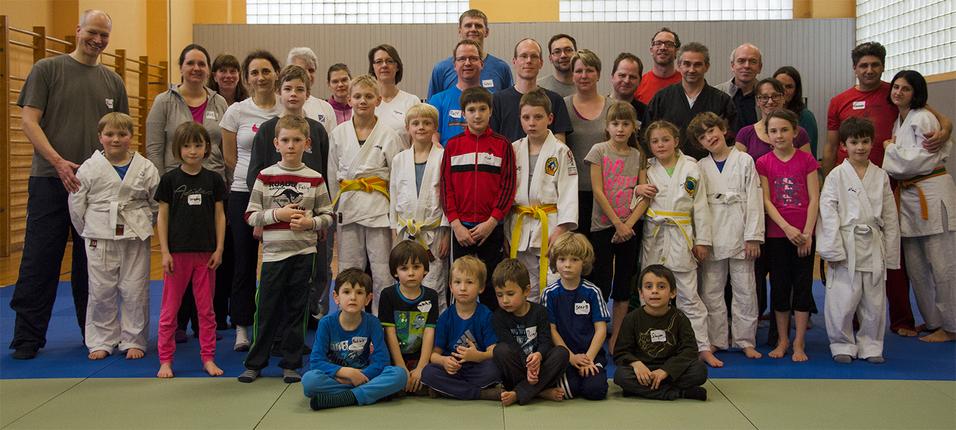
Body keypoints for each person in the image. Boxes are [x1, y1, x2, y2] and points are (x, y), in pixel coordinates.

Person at [10, 9, 128, 360]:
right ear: (78, 30)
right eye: (92, 32)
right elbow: (28, 121)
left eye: (104, 35)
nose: (97, 40)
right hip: (50, 180)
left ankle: (94, 335)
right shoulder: (47, 69)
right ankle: (27, 337)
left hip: (96, 190)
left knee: (92, 266)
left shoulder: (113, 82)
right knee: (39, 260)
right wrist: (58, 161)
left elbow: (121, 135)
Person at [824, 42, 952, 339]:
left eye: (875, 65)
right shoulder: (840, 100)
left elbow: (929, 111)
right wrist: (828, 180)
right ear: (854, 68)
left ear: (883, 66)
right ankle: (854, 319)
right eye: (863, 65)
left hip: (893, 182)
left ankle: (903, 318)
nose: (869, 70)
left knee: (897, 255)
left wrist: (947, 127)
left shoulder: (893, 93)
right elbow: (830, 146)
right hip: (854, 183)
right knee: (858, 251)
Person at [237, 115, 335, 383]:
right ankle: (255, 362)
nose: (291, 145)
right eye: (286, 140)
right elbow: (250, 215)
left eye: (296, 140)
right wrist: (277, 215)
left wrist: (310, 223)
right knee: (266, 309)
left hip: (304, 254)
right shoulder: (265, 176)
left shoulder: (315, 178)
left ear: (307, 143)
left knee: (297, 309)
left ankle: (291, 362)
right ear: (276, 143)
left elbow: (328, 215)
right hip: (273, 255)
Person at [145, 44, 228, 343]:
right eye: (190, 63)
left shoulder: (219, 102)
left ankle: (205, 323)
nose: (196, 68)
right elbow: (154, 147)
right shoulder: (163, 101)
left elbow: (225, 146)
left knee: (206, 257)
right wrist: (163, 186)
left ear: (208, 69)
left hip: (210, 184)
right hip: (177, 187)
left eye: (202, 63)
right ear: (180, 67)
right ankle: (178, 324)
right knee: (180, 258)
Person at [246, 65, 333, 328]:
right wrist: (262, 218)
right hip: (275, 219)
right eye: (287, 89)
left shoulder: (317, 131)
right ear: (279, 92)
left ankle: (306, 319)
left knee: (311, 271)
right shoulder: (267, 130)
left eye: (299, 89)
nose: (293, 94)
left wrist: (320, 219)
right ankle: (275, 328)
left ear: (308, 94)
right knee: (277, 275)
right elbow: (254, 175)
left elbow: (324, 174)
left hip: (308, 219)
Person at [68, 112, 159, 360]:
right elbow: (76, 205)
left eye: (122, 134)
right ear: (100, 137)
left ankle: (134, 339)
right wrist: (88, 229)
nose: (116, 139)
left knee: (135, 288)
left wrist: (144, 223)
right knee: (100, 289)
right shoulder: (89, 168)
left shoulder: (145, 167)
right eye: (109, 134)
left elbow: (156, 203)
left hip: (135, 234)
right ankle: (102, 340)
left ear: (131, 137)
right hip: (99, 233)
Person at [818, 117, 900, 363]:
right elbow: (828, 213)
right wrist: (832, 249)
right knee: (842, 298)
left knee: (874, 301)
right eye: (854, 142)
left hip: (873, 244)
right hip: (846, 243)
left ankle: (871, 345)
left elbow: (890, 215)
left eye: (865, 142)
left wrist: (891, 252)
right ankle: (841, 343)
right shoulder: (836, 175)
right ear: (844, 145)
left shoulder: (881, 175)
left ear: (872, 143)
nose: (860, 147)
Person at [883, 70, 956, 343]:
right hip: (910, 197)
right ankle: (935, 320)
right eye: (896, 87)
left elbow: (919, 160)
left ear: (916, 93)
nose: (898, 92)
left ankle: (952, 325)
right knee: (916, 266)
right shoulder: (900, 120)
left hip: (932, 192)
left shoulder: (923, 117)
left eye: (906, 88)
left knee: (943, 263)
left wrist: (890, 149)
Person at [689, 112, 764, 363]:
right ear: (699, 144)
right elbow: (696, 206)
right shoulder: (700, 167)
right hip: (712, 234)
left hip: (741, 232)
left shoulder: (744, 160)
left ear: (723, 129)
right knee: (711, 290)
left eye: (712, 130)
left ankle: (746, 340)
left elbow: (754, 199)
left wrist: (753, 236)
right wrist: (700, 240)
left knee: (745, 289)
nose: (709, 137)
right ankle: (715, 339)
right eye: (703, 136)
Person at [220, 50, 283, 352]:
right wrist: (253, 186)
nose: (261, 77)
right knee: (243, 262)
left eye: (266, 71)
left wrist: (271, 188)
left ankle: (274, 325)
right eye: (255, 72)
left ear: (276, 74)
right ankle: (242, 326)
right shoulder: (236, 112)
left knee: (278, 263)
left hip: (280, 195)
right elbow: (230, 157)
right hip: (243, 193)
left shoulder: (286, 109)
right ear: (246, 78)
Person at [155, 122, 227, 378]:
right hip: (177, 254)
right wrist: (165, 252)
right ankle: (165, 359)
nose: (193, 151)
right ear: (178, 149)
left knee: (206, 310)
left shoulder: (213, 180)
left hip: (206, 254)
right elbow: (162, 217)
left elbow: (220, 216)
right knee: (169, 310)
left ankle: (208, 357)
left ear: (207, 148)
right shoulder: (169, 180)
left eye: (198, 145)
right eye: (187, 146)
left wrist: (219, 248)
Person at [328, 75, 404, 313]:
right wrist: (334, 210)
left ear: (378, 100)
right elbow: (332, 173)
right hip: (348, 207)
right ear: (349, 99)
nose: (363, 101)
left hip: (378, 209)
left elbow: (397, 177)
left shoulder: (389, 134)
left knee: (382, 270)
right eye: (358, 96)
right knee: (349, 267)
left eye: (369, 96)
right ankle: (349, 318)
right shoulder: (338, 133)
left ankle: (382, 321)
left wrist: (395, 214)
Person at [640, 120, 713, 361]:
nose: (660, 145)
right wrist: (637, 190)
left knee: (688, 295)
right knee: (651, 292)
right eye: (655, 141)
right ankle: (652, 345)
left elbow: (700, 206)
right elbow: (634, 200)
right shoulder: (646, 168)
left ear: (676, 141)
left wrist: (702, 241)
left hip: (682, 235)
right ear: (649, 145)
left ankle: (700, 346)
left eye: (665, 140)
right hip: (655, 233)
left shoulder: (691, 167)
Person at [440, 87, 517, 311]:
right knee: (460, 285)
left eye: (482, 109)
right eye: (471, 110)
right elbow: (445, 188)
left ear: (490, 111)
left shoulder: (503, 145)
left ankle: (491, 328)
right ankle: (459, 325)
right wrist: (456, 224)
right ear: (463, 113)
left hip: (490, 229)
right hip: (461, 231)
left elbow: (508, 187)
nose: (477, 115)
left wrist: (492, 222)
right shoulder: (452, 146)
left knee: (492, 285)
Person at [756, 109, 820, 362]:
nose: (779, 135)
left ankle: (799, 342)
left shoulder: (807, 160)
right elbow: (767, 201)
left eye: (784, 130)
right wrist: (786, 227)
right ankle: (782, 339)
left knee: (802, 287)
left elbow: (814, 198)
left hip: (804, 233)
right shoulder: (763, 163)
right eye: (773, 131)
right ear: (767, 135)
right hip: (777, 234)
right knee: (780, 287)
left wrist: (807, 232)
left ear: (795, 132)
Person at [584, 101, 648, 352]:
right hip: (603, 226)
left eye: (625, 124)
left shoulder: (638, 155)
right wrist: (617, 224)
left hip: (629, 228)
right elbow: (598, 191)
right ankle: (597, 333)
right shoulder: (599, 150)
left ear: (633, 128)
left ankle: (617, 338)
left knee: (623, 284)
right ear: (607, 126)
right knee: (601, 282)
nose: (620, 129)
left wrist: (628, 225)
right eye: (615, 123)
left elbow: (644, 195)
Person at [506, 90, 578, 302]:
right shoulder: (514, 149)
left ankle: (552, 321)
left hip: (551, 225)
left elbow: (569, 191)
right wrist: (506, 229)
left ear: (550, 118)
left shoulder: (561, 151)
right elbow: (507, 191)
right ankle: (531, 321)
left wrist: (561, 229)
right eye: (526, 117)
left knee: (553, 281)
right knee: (525, 284)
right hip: (520, 224)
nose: (532, 123)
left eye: (538, 117)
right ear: (520, 118)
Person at [303, 268, 408, 410]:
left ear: (368, 299)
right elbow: (316, 361)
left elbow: (382, 361)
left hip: (365, 375)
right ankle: (371, 393)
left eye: (359, 293)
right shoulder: (326, 323)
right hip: (339, 377)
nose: (353, 297)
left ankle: (344, 398)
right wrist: (346, 373)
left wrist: (360, 375)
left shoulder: (373, 323)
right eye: (347, 292)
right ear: (336, 297)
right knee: (309, 381)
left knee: (399, 375)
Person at [613, 264, 708, 401]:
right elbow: (621, 353)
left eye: (661, 287)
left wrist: (666, 370)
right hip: (644, 369)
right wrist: (636, 364)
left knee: (699, 371)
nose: (654, 291)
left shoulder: (680, 318)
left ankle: (641, 390)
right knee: (621, 376)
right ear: (641, 293)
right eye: (648, 287)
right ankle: (679, 393)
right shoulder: (631, 318)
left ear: (673, 293)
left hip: (670, 369)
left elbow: (690, 350)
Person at [389, 104, 450, 311]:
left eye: (427, 123)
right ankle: (407, 326)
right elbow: (394, 195)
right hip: (406, 232)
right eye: (415, 123)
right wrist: (394, 230)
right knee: (407, 280)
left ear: (435, 127)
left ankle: (435, 327)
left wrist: (446, 232)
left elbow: (448, 196)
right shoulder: (399, 159)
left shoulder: (443, 157)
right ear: (408, 128)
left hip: (433, 232)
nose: (421, 127)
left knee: (435, 283)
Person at [420, 256, 502, 400]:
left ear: (481, 287)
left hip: (477, 368)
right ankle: (480, 393)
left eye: (469, 282)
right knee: (428, 372)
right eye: (457, 282)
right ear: (451, 287)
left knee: (495, 369)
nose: (463, 288)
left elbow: (492, 352)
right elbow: (434, 355)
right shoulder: (445, 317)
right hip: (452, 370)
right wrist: (444, 362)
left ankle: (447, 390)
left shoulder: (486, 315)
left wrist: (478, 356)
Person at [492, 258, 570, 406]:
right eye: (499, 295)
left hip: (539, 365)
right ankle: (539, 391)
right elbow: (511, 345)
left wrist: (539, 356)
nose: (505, 300)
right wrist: (529, 367)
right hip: (518, 367)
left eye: (510, 294)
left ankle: (519, 393)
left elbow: (546, 341)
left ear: (526, 291)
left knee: (562, 353)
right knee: (500, 350)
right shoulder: (498, 317)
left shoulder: (540, 312)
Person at [543, 232, 608, 400]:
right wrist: (571, 357)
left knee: (595, 390)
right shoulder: (549, 294)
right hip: (564, 356)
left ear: (584, 262)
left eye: (574, 260)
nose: (567, 265)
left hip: (590, 354)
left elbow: (601, 329)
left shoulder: (593, 292)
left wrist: (589, 358)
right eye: (562, 259)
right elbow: (551, 330)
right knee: (568, 391)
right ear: (555, 261)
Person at [646, 42, 736, 161]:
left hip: (712, 166)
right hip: (670, 166)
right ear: (679, 65)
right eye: (687, 64)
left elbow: (732, 137)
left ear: (707, 66)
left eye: (697, 65)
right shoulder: (662, 98)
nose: (692, 70)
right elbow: (647, 134)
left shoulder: (722, 100)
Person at [378, 240, 440, 395]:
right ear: (395, 272)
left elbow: (429, 332)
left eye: (416, 267)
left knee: (433, 373)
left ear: (425, 270)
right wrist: (401, 367)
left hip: (419, 358)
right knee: (386, 373)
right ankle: (403, 382)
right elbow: (389, 333)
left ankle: (415, 382)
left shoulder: (431, 296)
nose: (411, 273)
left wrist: (421, 367)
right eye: (404, 268)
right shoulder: (388, 295)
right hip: (394, 358)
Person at [564, 49, 614, 236]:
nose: (584, 76)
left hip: (608, 193)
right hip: (573, 193)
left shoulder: (613, 107)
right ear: (572, 75)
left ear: (598, 74)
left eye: (590, 70)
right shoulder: (563, 106)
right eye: (578, 71)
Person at [489, 38, 573, 143]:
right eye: (524, 56)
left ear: (541, 63)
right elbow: (491, 142)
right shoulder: (497, 101)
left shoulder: (555, 100)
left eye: (534, 56)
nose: (529, 61)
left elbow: (560, 145)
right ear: (514, 61)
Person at [427, 9, 512, 98]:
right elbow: (432, 105)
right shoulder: (441, 69)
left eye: (478, 26)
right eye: (468, 25)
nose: (473, 29)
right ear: (460, 31)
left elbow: (508, 102)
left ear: (487, 32)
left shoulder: (501, 68)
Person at [735, 78, 813, 160]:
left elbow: (808, 165)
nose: (770, 102)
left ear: (783, 98)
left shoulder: (799, 133)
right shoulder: (745, 134)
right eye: (764, 97)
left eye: (775, 96)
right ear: (757, 101)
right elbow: (737, 166)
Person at [429, 39, 486, 147]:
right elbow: (432, 137)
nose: (467, 63)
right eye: (462, 59)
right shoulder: (438, 100)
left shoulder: (494, 100)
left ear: (481, 64)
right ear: (455, 65)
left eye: (473, 58)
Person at [369, 44, 421, 145]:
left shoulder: (412, 101)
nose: (384, 65)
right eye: (379, 62)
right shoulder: (365, 103)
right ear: (373, 68)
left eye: (389, 61)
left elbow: (417, 142)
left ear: (397, 67)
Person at [287, 47, 337, 134]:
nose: (307, 74)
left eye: (311, 70)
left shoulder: (326, 108)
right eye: (301, 70)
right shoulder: (279, 105)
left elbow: (332, 141)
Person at [715, 43, 763, 129]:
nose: (747, 66)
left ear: (760, 67)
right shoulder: (716, 94)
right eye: (741, 61)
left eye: (753, 61)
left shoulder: (768, 95)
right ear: (732, 66)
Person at [773, 66, 819, 155]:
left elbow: (809, 155)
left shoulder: (806, 117)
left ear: (796, 91)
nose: (783, 90)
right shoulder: (765, 113)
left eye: (789, 87)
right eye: (779, 85)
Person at [634, 28, 683, 104]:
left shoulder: (686, 83)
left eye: (669, 44)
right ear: (651, 50)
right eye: (658, 43)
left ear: (676, 51)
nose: (663, 48)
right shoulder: (638, 84)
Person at [607, 53, 648, 136]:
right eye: (622, 75)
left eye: (632, 77)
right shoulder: (600, 109)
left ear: (640, 81)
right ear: (612, 76)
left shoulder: (646, 113)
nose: (627, 81)